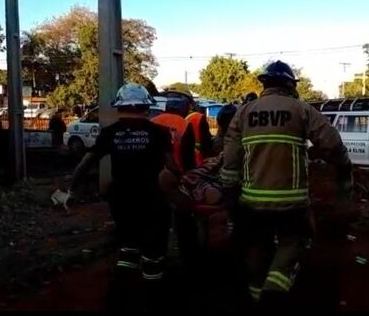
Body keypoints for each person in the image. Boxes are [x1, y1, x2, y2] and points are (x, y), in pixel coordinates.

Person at [220, 60, 353, 309]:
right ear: (290, 85)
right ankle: (275, 291)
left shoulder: (245, 112)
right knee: (295, 242)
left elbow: (230, 161)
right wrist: (344, 168)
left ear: (265, 84)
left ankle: (257, 294)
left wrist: (230, 198)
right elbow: (332, 144)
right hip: (291, 205)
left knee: (257, 246)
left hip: (252, 202)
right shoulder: (301, 109)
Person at [66, 83, 180, 311]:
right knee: (153, 253)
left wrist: (71, 187)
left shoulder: (110, 133)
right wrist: (179, 180)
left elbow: (86, 163)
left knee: (128, 246)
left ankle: (121, 293)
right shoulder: (158, 133)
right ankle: (153, 297)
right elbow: (171, 166)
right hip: (152, 202)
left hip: (121, 202)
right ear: (145, 107)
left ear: (120, 107)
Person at [166, 89, 214, 166]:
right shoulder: (195, 119)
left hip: (164, 171)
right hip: (193, 167)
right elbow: (207, 146)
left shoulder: (155, 120)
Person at [151, 96, 197, 173]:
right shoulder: (185, 124)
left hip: (156, 172)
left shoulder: (153, 121)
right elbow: (188, 155)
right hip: (177, 172)